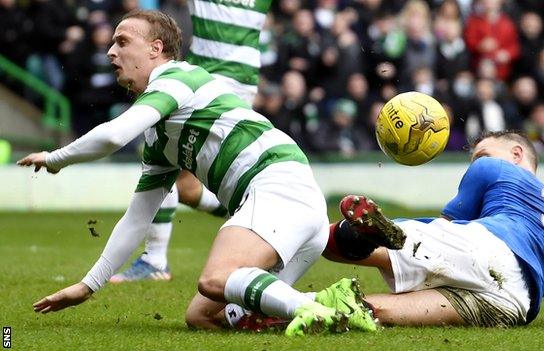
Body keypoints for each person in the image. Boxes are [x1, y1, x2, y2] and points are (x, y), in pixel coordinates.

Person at [18, 10, 377, 336]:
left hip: (276, 185)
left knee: (214, 279)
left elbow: (113, 135)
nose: (111, 51)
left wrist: (56, 159)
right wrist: (88, 285)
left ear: (156, 48)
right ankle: (332, 302)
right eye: (112, 42)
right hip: (293, 207)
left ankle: (309, 309)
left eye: (123, 41)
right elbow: (137, 218)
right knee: (204, 316)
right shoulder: (158, 138)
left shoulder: (177, 77)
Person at [323, 131, 544, 327]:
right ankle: (305, 309)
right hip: (515, 304)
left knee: (332, 240)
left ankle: (366, 236)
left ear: (517, 154)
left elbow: (448, 226)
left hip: (487, 249)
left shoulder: (493, 168)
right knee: (375, 312)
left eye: (480, 154)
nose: (474, 164)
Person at [111, 0, 275, 283]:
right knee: (186, 188)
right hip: (218, 75)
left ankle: (155, 260)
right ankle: (257, 217)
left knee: (162, 150)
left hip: (223, 79)